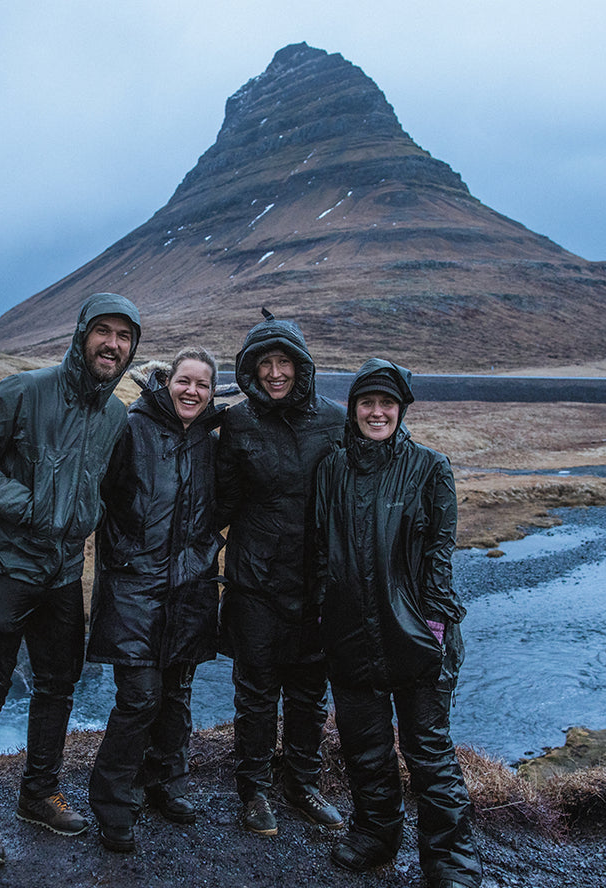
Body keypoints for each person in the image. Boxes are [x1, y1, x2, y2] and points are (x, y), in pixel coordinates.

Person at [0, 292, 141, 869]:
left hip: (63, 575)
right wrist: (26, 506)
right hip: (6, 568)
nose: (112, 344)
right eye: (102, 331)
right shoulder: (25, 391)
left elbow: (112, 490)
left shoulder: (115, 415)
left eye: (124, 337)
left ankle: (37, 793)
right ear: (82, 335)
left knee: (58, 685)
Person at [313, 358, 483, 888]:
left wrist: (433, 622)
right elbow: (322, 550)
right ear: (354, 409)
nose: (378, 412)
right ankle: (374, 835)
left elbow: (439, 550)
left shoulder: (431, 466)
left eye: (388, 403)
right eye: (368, 402)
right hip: (349, 633)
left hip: (416, 632)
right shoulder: (332, 467)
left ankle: (450, 860)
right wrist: (324, 614)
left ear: (401, 409)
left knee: (428, 750)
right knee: (364, 747)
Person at [86, 347, 225, 853]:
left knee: (175, 697)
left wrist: (205, 553)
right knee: (139, 698)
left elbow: (222, 507)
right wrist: (127, 556)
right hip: (133, 590)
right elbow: (99, 497)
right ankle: (112, 801)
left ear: (212, 393)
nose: (192, 392)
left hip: (190, 591)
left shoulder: (211, 442)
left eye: (203, 386)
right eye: (184, 381)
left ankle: (163, 784)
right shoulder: (131, 427)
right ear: (166, 382)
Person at [215, 308, 347, 836]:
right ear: (250, 368)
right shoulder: (238, 422)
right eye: (264, 363)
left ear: (302, 367)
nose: (274, 373)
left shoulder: (336, 422)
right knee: (254, 690)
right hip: (254, 582)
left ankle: (303, 783)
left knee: (309, 691)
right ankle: (254, 791)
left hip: (317, 583)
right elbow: (219, 500)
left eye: (284, 362)